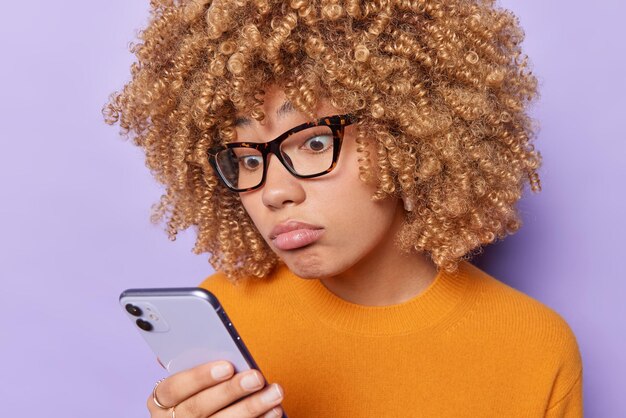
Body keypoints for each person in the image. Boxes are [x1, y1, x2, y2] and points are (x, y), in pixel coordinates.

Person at [104, 0, 583, 416]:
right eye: (249, 158)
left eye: (314, 142)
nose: (273, 192)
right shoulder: (229, 322)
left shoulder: (532, 346)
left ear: (409, 134)